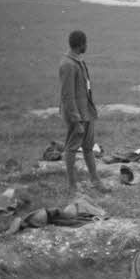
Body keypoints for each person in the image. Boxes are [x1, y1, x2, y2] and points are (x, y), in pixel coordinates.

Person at [59, 30, 108, 193]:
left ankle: (95, 180)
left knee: (88, 147)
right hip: (77, 115)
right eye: (86, 43)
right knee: (72, 148)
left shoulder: (78, 61)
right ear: (81, 44)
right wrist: (76, 119)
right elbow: (67, 96)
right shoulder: (68, 65)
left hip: (86, 112)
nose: (87, 46)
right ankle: (72, 185)